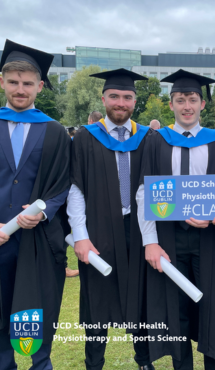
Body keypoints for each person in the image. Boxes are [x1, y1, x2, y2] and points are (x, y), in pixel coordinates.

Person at [136, 69, 215, 370]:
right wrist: (150, 241)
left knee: (212, 307)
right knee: (176, 309)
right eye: (180, 100)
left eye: (192, 99)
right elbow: (144, 192)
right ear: (171, 103)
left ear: (202, 104)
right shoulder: (156, 141)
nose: (186, 106)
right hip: (169, 238)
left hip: (210, 238)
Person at [67, 68, 154, 370]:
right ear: (103, 99)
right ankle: (95, 364)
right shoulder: (84, 139)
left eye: (127, 97)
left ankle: (144, 361)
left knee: (140, 297)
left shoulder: (147, 139)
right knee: (97, 300)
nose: (120, 102)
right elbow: (76, 189)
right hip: (98, 229)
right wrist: (79, 234)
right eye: (114, 96)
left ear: (135, 101)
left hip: (138, 230)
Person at [0, 39, 70, 370]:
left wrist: (44, 210)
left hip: (37, 241)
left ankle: (40, 364)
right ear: (2, 81)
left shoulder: (55, 132)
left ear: (40, 86)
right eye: (13, 82)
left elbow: (64, 182)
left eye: (28, 83)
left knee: (36, 309)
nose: (20, 89)